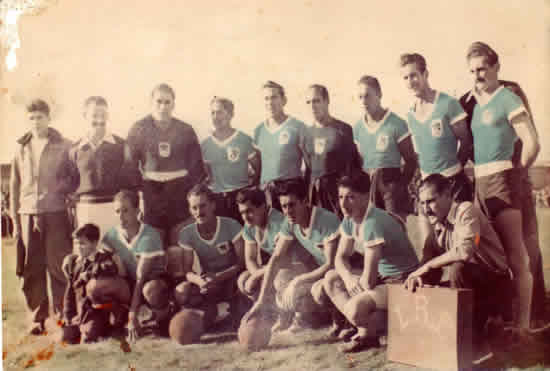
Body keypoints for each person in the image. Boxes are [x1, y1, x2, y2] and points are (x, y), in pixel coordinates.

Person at [459, 41, 547, 332]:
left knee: (515, 255)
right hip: (480, 183)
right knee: (490, 253)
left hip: (503, 180)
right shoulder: (472, 101)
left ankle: (524, 326)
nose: (477, 75)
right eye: (472, 70)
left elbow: (532, 142)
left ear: (497, 67)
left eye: (483, 68)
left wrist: (516, 171)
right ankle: (504, 316)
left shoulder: (507, 97)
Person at [404, 174, 510, 362]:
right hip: (473, 283)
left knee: (458, 269)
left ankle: (471, 343)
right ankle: (427, 338)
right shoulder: (438, 224)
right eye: (422, 203)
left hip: (495, 284)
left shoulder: (465, 210)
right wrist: (419, 276)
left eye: (431, 201)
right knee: (425, 275)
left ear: (447, 195)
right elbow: (428, 260)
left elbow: (465, 251)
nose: (426, 209)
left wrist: (427, 266)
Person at [323, 173, 419, 352]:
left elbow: (368, 281)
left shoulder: (372, 222)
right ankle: (365, 331)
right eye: (341, 197)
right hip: (382, 279)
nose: (343, 204)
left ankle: (377, 328)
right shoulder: (349, 218)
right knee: (331, 279)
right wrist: (349, 278)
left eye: (351, 197)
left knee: (354, 310)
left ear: (366, 197)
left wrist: (355, 287)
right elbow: (339, 258)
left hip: (401, 281)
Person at [10, 99, 75, 335]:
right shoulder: (20, 148)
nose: (36, 123)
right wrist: (16, 222)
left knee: (59, 266)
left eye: (40, 117)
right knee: (31, 268)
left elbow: (73, 178)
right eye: (32, 118)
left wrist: (62, 190)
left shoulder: (65, 146)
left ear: (49, 118)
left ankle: (62, 315)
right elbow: (15, 187)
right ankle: (37, 318)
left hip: (56, 212)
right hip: (28, 213)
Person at [244, 179, 341, 333]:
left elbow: (331, 264)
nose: (288, 211)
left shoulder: (326, 220)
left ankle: (339, 319)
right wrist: (261, 300)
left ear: (305, 201)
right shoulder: (290, 222)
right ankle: (308, 317)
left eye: (292, 205)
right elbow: (276, 258)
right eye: (284, 206)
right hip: (320, 272)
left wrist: (298, 280)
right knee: (281, 277)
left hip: (344, 271)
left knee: (315, 288)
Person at [399, 53, 474, 248]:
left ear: (426, 74)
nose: (410, 81)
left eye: (414, 75)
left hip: (452, 183)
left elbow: (465, 142)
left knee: (461, 244)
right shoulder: (410, 114)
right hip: (425, 186)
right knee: (429, 245)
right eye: (405, 77)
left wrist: (453, 172)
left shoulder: (447, 103)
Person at [126, 83, 206, 245]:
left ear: (173, 104)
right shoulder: (139, 128)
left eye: (167, 102)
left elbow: (196, 168)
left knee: (180, 240)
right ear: (151, 103)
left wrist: (192, 195)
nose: (163, 106)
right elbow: (130, 166)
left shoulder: (185, 129)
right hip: (151, 192)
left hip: (179, 190)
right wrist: (139, 197)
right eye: (159, 101)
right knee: (154, 241)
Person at [101, 190, 171, 342]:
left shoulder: (149, 235)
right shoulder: (110, 236)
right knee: (97, 286)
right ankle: (118, 316)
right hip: (130, 284)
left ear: (137, 211)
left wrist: (133, 316)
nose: (120, 216)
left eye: (125, 211)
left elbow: (141, 278)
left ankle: (164, 312)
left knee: (151, 290)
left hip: (152, 283)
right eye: (117, 211)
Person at [174, 184, 245, 327]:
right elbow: (187, 271)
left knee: (244, 285)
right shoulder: (186, 233)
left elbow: (242, 263)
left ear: (213, 205)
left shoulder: (231, 225)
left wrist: (219, 277)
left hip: (232, 279)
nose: (198, 212)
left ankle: (230, 309)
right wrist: (199, 281)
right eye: (194, 208)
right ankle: (211, 312)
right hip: (209, 282)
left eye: (202, 206)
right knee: (182, 290)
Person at [353, 75, 418, 218]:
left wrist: (399, 187)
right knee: (373, 226)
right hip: (368, 186)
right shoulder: (357, 128)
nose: (364, 101)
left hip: (391, 183)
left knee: (395, 225)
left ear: (379, 94)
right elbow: (359, 161)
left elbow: (411, 160)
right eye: (360, 97)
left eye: (368, 96)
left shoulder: (396, 123)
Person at [69, 96, 134, 237]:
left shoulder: (120, 145)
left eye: (103, 115)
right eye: (94, 115)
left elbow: (130, 181)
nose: (99, 120)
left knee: (115, 254)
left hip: (114, 208)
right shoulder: (75, 149)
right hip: (86, 210)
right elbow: (71, 184)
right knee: (89, 254)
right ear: (85, 116)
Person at [61, 223, 130, 344]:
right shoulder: (75, 263)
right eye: (76, 243)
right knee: (66, 338)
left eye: (82, 243)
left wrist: (88, 274)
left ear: (94, 243)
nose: (78, 247)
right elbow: (69, 293)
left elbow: (109, 268)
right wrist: (68, 316)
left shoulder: (103, 258)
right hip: (80, 311)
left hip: (97, 311)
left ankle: (112, 325)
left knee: (88, 338)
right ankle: (82, 326)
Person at [302, 84, 361, 216]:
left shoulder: (343, 129)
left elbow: (354, 166)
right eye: (308, 102)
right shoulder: (306, 134)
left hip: (338, 195)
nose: (312, 106)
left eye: (316, 101)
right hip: (315, 196)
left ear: (327, 101)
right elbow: (308, 169)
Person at [201, 96, 261, 223]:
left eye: (220, 112)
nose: (215, 117)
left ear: (230, 115)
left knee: (243, 236)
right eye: (212, 112)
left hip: (240, 196)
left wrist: (249, 191)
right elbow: (206, 174)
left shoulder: (243, 139)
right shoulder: (205, 144)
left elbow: (258, 167)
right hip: (217, 199)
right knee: (222, 237)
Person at [253, 81, 307, 211]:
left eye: (274, 97)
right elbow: (258, 165)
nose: (270, 102)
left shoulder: (297, 126)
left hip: (291, 190)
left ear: (284, 100)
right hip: (267, 191)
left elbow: (309, 163)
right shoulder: (259, 130)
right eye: (266, 98)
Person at [235, 187, 286, 301]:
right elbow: (250, 259)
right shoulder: (249, 226)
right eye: (242, 212)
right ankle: (264, 310)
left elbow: (283, 260)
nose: (245, 217)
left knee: (279, 280)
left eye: (249, 211)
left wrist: (258, 276)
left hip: (291, 265)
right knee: (243, 280)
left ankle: (284, 312)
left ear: (263, 206)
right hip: (271, 267)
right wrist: (258, 275)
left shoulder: (279, 223)